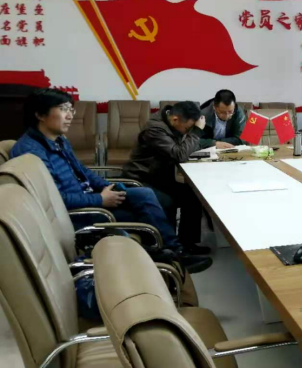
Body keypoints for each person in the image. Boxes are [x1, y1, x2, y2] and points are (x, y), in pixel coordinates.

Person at [11, 89, 211, 273]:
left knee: (145, 195)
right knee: (150, 209)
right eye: (64, 109)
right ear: (40, 114)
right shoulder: (31, 152)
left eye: (71, 109)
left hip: (90, 197)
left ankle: (170, 250)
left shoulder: (59, 140)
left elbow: (83, 171)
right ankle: (172, 255)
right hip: (79, 213)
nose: (71, 115)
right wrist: (100, 199)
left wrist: (105, 186)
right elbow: (53, 200)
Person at [122, 101, 209, 254]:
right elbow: (179, 154)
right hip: (141, 178)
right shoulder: (155, 129)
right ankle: (170, 248)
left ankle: (187, 243)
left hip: (160, 177)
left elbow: (184, 146)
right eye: (187, 128)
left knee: (193, 195)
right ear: (175, 119)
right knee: (167, 201)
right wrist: (196, 132)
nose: (188, 132)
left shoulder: (173, 123)